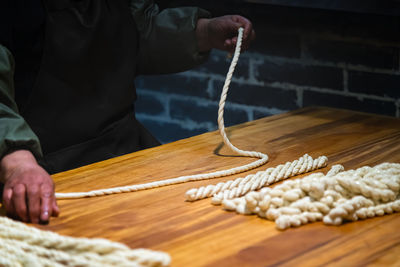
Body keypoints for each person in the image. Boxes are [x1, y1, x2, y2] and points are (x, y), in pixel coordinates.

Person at [0, 0, 255, 224]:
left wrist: (204, 32)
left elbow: (140, 30)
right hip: (39, 170)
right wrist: (18, 165)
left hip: (125, 146)